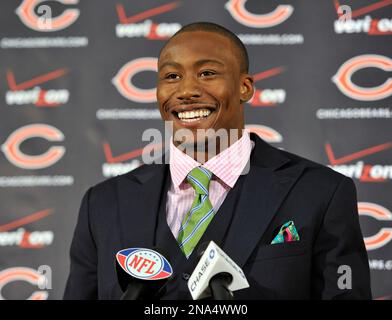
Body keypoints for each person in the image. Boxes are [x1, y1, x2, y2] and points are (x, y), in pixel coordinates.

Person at [63, 22, 371, 299]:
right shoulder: (102, 205)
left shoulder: (321, 193)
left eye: (207, 73)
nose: (186, 91)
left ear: (245, 87)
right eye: (172, 76)